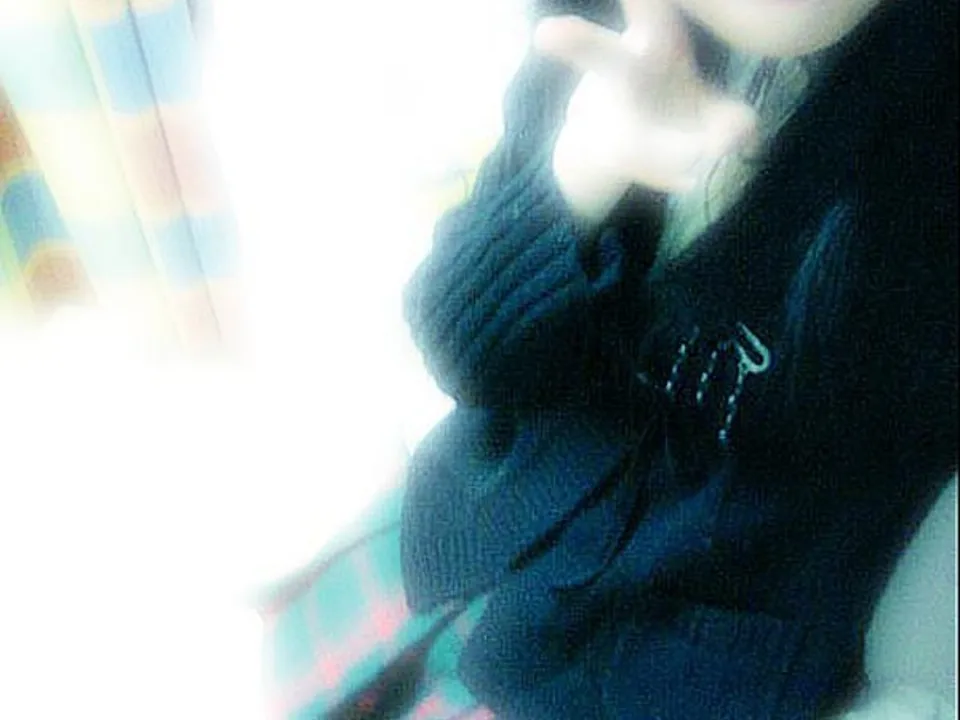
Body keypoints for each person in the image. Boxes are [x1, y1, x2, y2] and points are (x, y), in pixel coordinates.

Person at [259, 1, 957, 717]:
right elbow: (457, 342)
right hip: (471, 537)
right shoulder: (596, 33)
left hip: (663, 672)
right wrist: (585, 167)